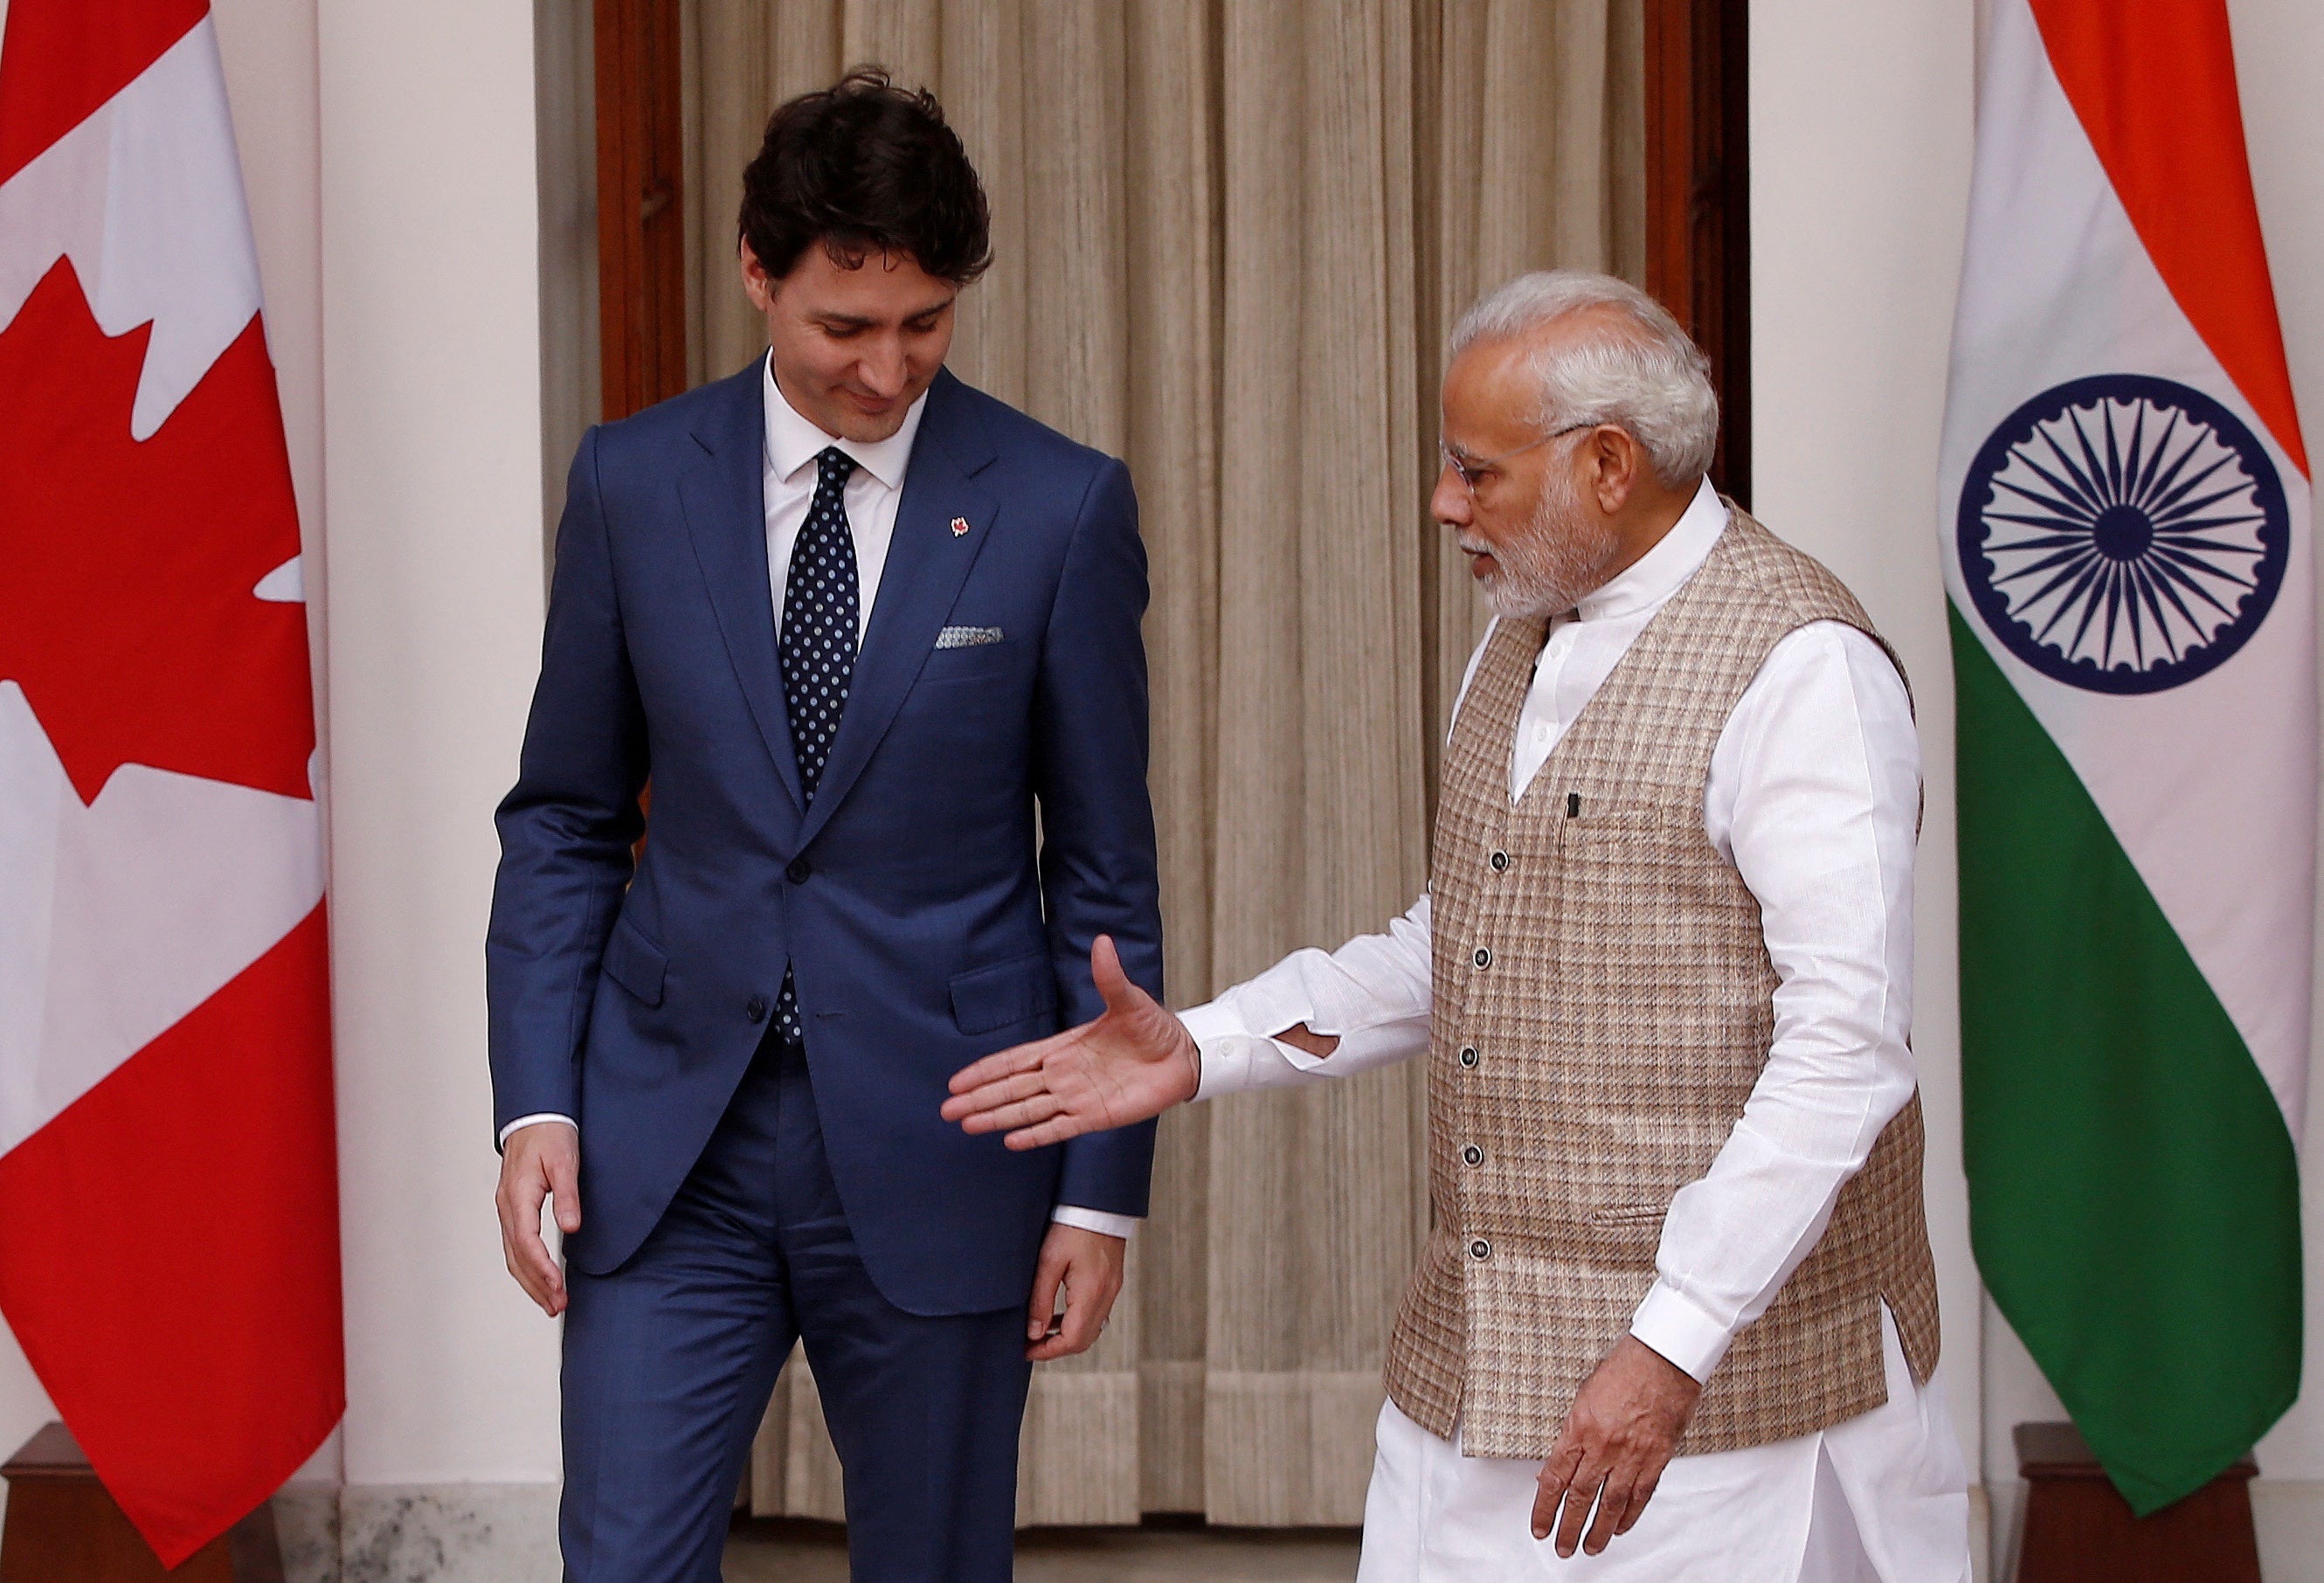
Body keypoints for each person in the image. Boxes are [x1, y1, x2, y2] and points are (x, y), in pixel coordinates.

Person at [945, 271, 1974, 1580]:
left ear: (1609, 465)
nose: (1444, 503)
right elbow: (1473, 944)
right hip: (1471, 1362)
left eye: (1475, 471)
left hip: (1728, 1405)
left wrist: (1672, 1343)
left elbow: (1845, 1047)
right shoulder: (1516, 636)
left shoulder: (1803, 668)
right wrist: (1204, 1048)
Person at [487, 70, 1162, 1583]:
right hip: (671, 1146)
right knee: (624, 1561)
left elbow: (1104, 866)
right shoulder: (633, 483)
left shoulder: (1058, 508)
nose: (886, 369)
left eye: (924, 324)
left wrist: (1096, 1187)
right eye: (844, 327)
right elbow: (566, 820)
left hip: (948, 1139)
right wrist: (535, 1102)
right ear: (756, 273)